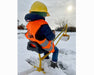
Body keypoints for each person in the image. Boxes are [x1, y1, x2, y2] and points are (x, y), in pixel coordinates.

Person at [25, 1, 59, 68]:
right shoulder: (43, 24)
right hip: (42, 45)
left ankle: (46, 59)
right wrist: (53, 33)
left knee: (46, 47)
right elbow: (51, 37)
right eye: (45, 14)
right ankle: (54, 64)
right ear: (42, 13)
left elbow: (30, 34)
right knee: (56, 50)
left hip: (33, 44)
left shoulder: (29, 24)